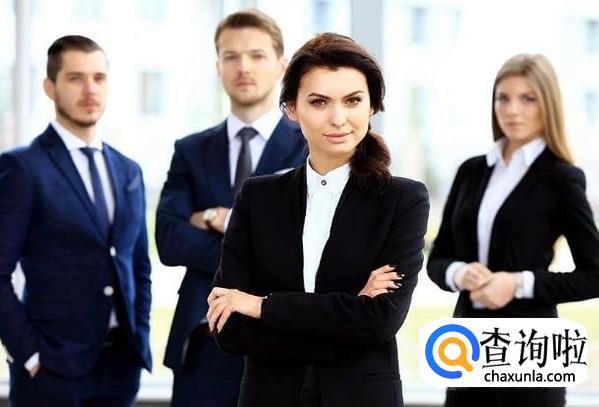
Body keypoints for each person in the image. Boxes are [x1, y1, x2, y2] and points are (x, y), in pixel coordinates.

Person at [207, 32, 430, 407]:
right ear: (292, 109)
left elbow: (379, 322)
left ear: (372, 106)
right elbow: (229, 329)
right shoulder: (258, 198)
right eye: (319, 101)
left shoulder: (403, 200)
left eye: (353, 100)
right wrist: (348, 310)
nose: (338, 118)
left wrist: (262, 306)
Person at [427, 53, 599, 406]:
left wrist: (519, 283)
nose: (512, 110)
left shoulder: (562, 178)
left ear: (547, 104)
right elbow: (438, 258)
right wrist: (459, 273)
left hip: (531, 346)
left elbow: (595, 275)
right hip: (469, 343)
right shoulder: (471, 171)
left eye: (527, 99)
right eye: (503, 98)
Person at [155, 9, 306, 406]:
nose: (244, 67)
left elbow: (302, 245)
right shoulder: (191, 150)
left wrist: (217, 218)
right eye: (231, 56)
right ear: (217, 66)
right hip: (203, 342)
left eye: (257, 55)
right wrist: (257, 243)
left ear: (282, 66)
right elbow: (168, 240)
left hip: (280, 344)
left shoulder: (308, 148)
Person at [0, 35, 152, 406]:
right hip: (51, 374)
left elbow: (138, 266)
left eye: (99, 78)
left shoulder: (128, 170)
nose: (90, 89)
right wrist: (30, 355)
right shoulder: (23, 168)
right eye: (75, 78)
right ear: (50, 87)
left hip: (120, 370)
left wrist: (140, 338)